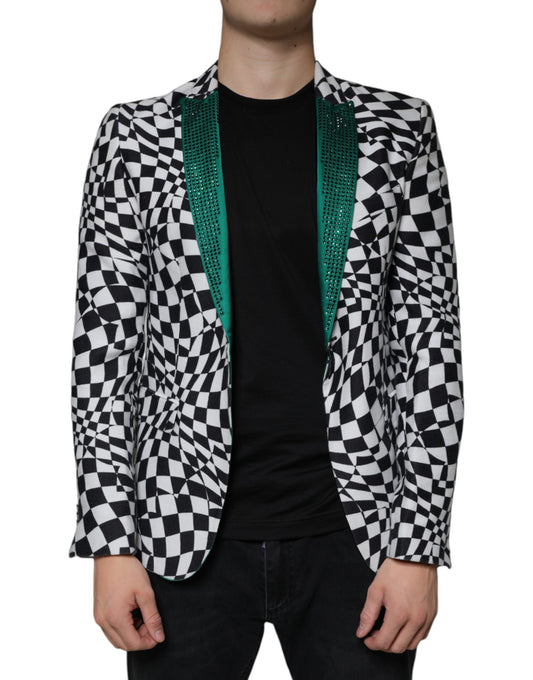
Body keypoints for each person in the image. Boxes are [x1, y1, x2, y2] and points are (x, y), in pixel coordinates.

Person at [68, 1, 464, 678]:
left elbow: (429, 342)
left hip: (360, 541)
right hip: (176, 534)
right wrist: (111, 542)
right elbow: (104, 351)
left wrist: (417, 547)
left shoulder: (399, 130)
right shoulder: (135, 135)